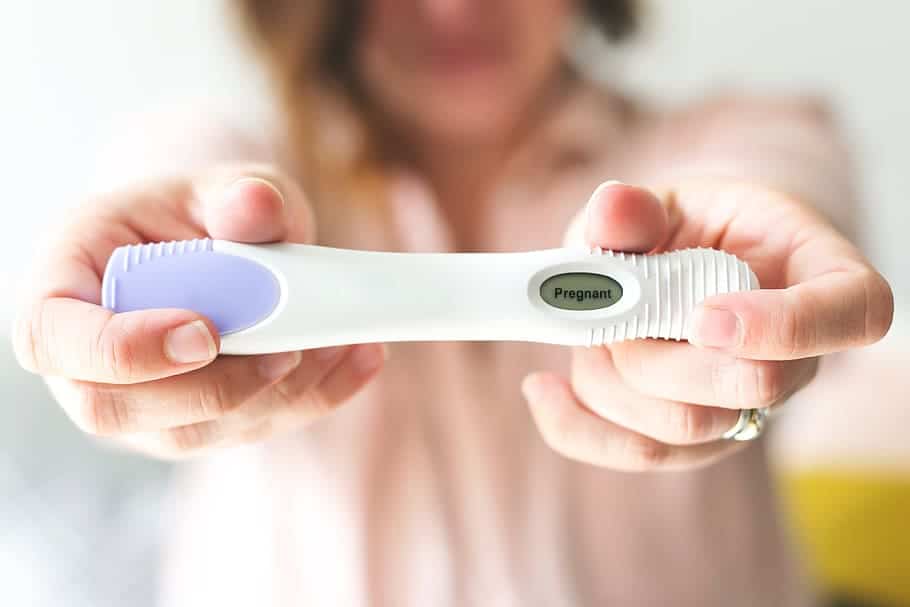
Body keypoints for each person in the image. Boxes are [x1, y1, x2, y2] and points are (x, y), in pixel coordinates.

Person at [11, 1, 895, 605]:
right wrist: (106, 338)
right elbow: (156, 185)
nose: (454, 3)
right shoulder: (222, 154)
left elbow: (776, 191)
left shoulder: (743, 138)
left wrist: (750, 338)